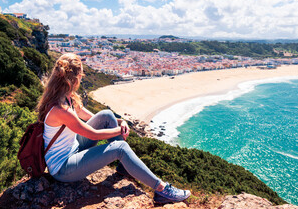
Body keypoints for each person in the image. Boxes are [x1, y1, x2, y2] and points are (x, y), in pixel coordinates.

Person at [37, 53, 190, 203]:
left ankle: (125, 166)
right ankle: (162, 190)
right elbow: (94, 134)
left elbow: (93, 118)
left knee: (106, 115)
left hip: (73, 148)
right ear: (74, 78)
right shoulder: (61, 109)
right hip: (63, 168)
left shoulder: (66, 97)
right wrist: (120, 131)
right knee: (120, 148)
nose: (82, 77)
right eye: (81, 74)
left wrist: (118, 121)